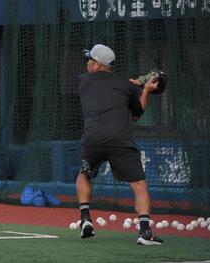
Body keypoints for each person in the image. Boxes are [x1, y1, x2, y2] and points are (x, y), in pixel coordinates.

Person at [76, 44, 163, 245]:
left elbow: (109, 91)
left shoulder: (82, 82)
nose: (87, 64)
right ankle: (145, 233)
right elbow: (136, 115)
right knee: (139, 185)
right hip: (120, 141)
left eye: (89, 60)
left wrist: (133, 87)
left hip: (93, 141)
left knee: (84, 174)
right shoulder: (126, 85)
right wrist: (145, 90)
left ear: (97, 65)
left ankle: (85, 219)